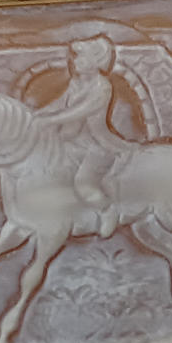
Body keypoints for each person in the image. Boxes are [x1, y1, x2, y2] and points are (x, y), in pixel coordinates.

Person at [37, 36, 128, 238]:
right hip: (71, 141)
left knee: (83, 183)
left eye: (81, 57)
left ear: (96, 61)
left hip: (97, 144)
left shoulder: (102, 87)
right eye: (76, 56)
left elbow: (79, 112)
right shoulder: (75, 83)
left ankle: (108, 210)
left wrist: (48, 121)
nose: (75, 60)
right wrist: (33, 116)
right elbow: (58, 104)